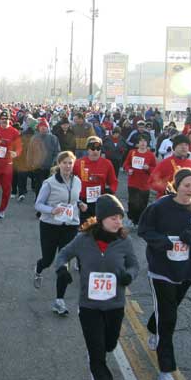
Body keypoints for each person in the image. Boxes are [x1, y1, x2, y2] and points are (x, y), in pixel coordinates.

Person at [54, 195, 139, 380]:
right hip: (89, 307)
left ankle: (101, 374)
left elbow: (134, 264)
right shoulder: (83, 239)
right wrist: (61, 268)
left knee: (109, 345)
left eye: (120, 217)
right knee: (97, 355)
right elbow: (63, 255)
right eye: (113, 217)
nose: (118, 222)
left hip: (114, 306)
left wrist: (129, 275)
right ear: (100, 219)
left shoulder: (123, 242)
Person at [137, 168, 191, 380]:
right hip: (161, 269)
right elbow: (144, 230)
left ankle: (154, 326)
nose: (190, 189)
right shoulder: (159, 207)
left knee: (170, 308)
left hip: (187, 271)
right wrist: (163, 242)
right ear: (176, 185)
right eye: (186, 185)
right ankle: (166, 370)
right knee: (169, 318)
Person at [33, 151, 82, 315]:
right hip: (49, 226)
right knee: (48, 260)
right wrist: (52, 210)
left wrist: (81, 204)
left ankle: (59, 301)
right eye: (65, 163)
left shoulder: (77, 181)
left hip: (70, 226)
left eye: (70, 163)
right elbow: (38, 205)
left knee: (64, 261)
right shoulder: (49, 183)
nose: (68, 166)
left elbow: (73, 199)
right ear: (59, 164)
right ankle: (39, 268)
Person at [73, 136, 118, 225]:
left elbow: (113, 182)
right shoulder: (78, 163)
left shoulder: (107, 163)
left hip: (100, 200)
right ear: (88, 149)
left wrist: (111, 191)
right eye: (92, 148)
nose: (95, 151)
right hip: (83, 201)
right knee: (85, 228)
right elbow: (70, 180)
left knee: (99, 227)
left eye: (98, 148)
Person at [122, 134, 157, 227]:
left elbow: (155, 169)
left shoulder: (150, 155)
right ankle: (132, 219)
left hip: (145, 184)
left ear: (147, 143)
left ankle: (140, 221)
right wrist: (128, 169)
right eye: (141, 141)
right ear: (138, 143)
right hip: (133, 182)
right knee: (132, 202)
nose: (143, 143)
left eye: (144, 141)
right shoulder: (132, 152)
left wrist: (148, 168)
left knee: (142, 203)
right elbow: (126, 164)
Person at [29, 118, 61, 195]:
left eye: (45, 127)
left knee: (49, 185)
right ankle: (38, 200)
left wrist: (54, 163)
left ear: (48, 128)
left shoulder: (53, 138)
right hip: (38, 166)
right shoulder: (34, 138)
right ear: (39, 128)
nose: (43, 128)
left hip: (50, 166)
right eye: (41, 127)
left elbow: (57, 151)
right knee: (38, 184)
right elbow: (30, 152)